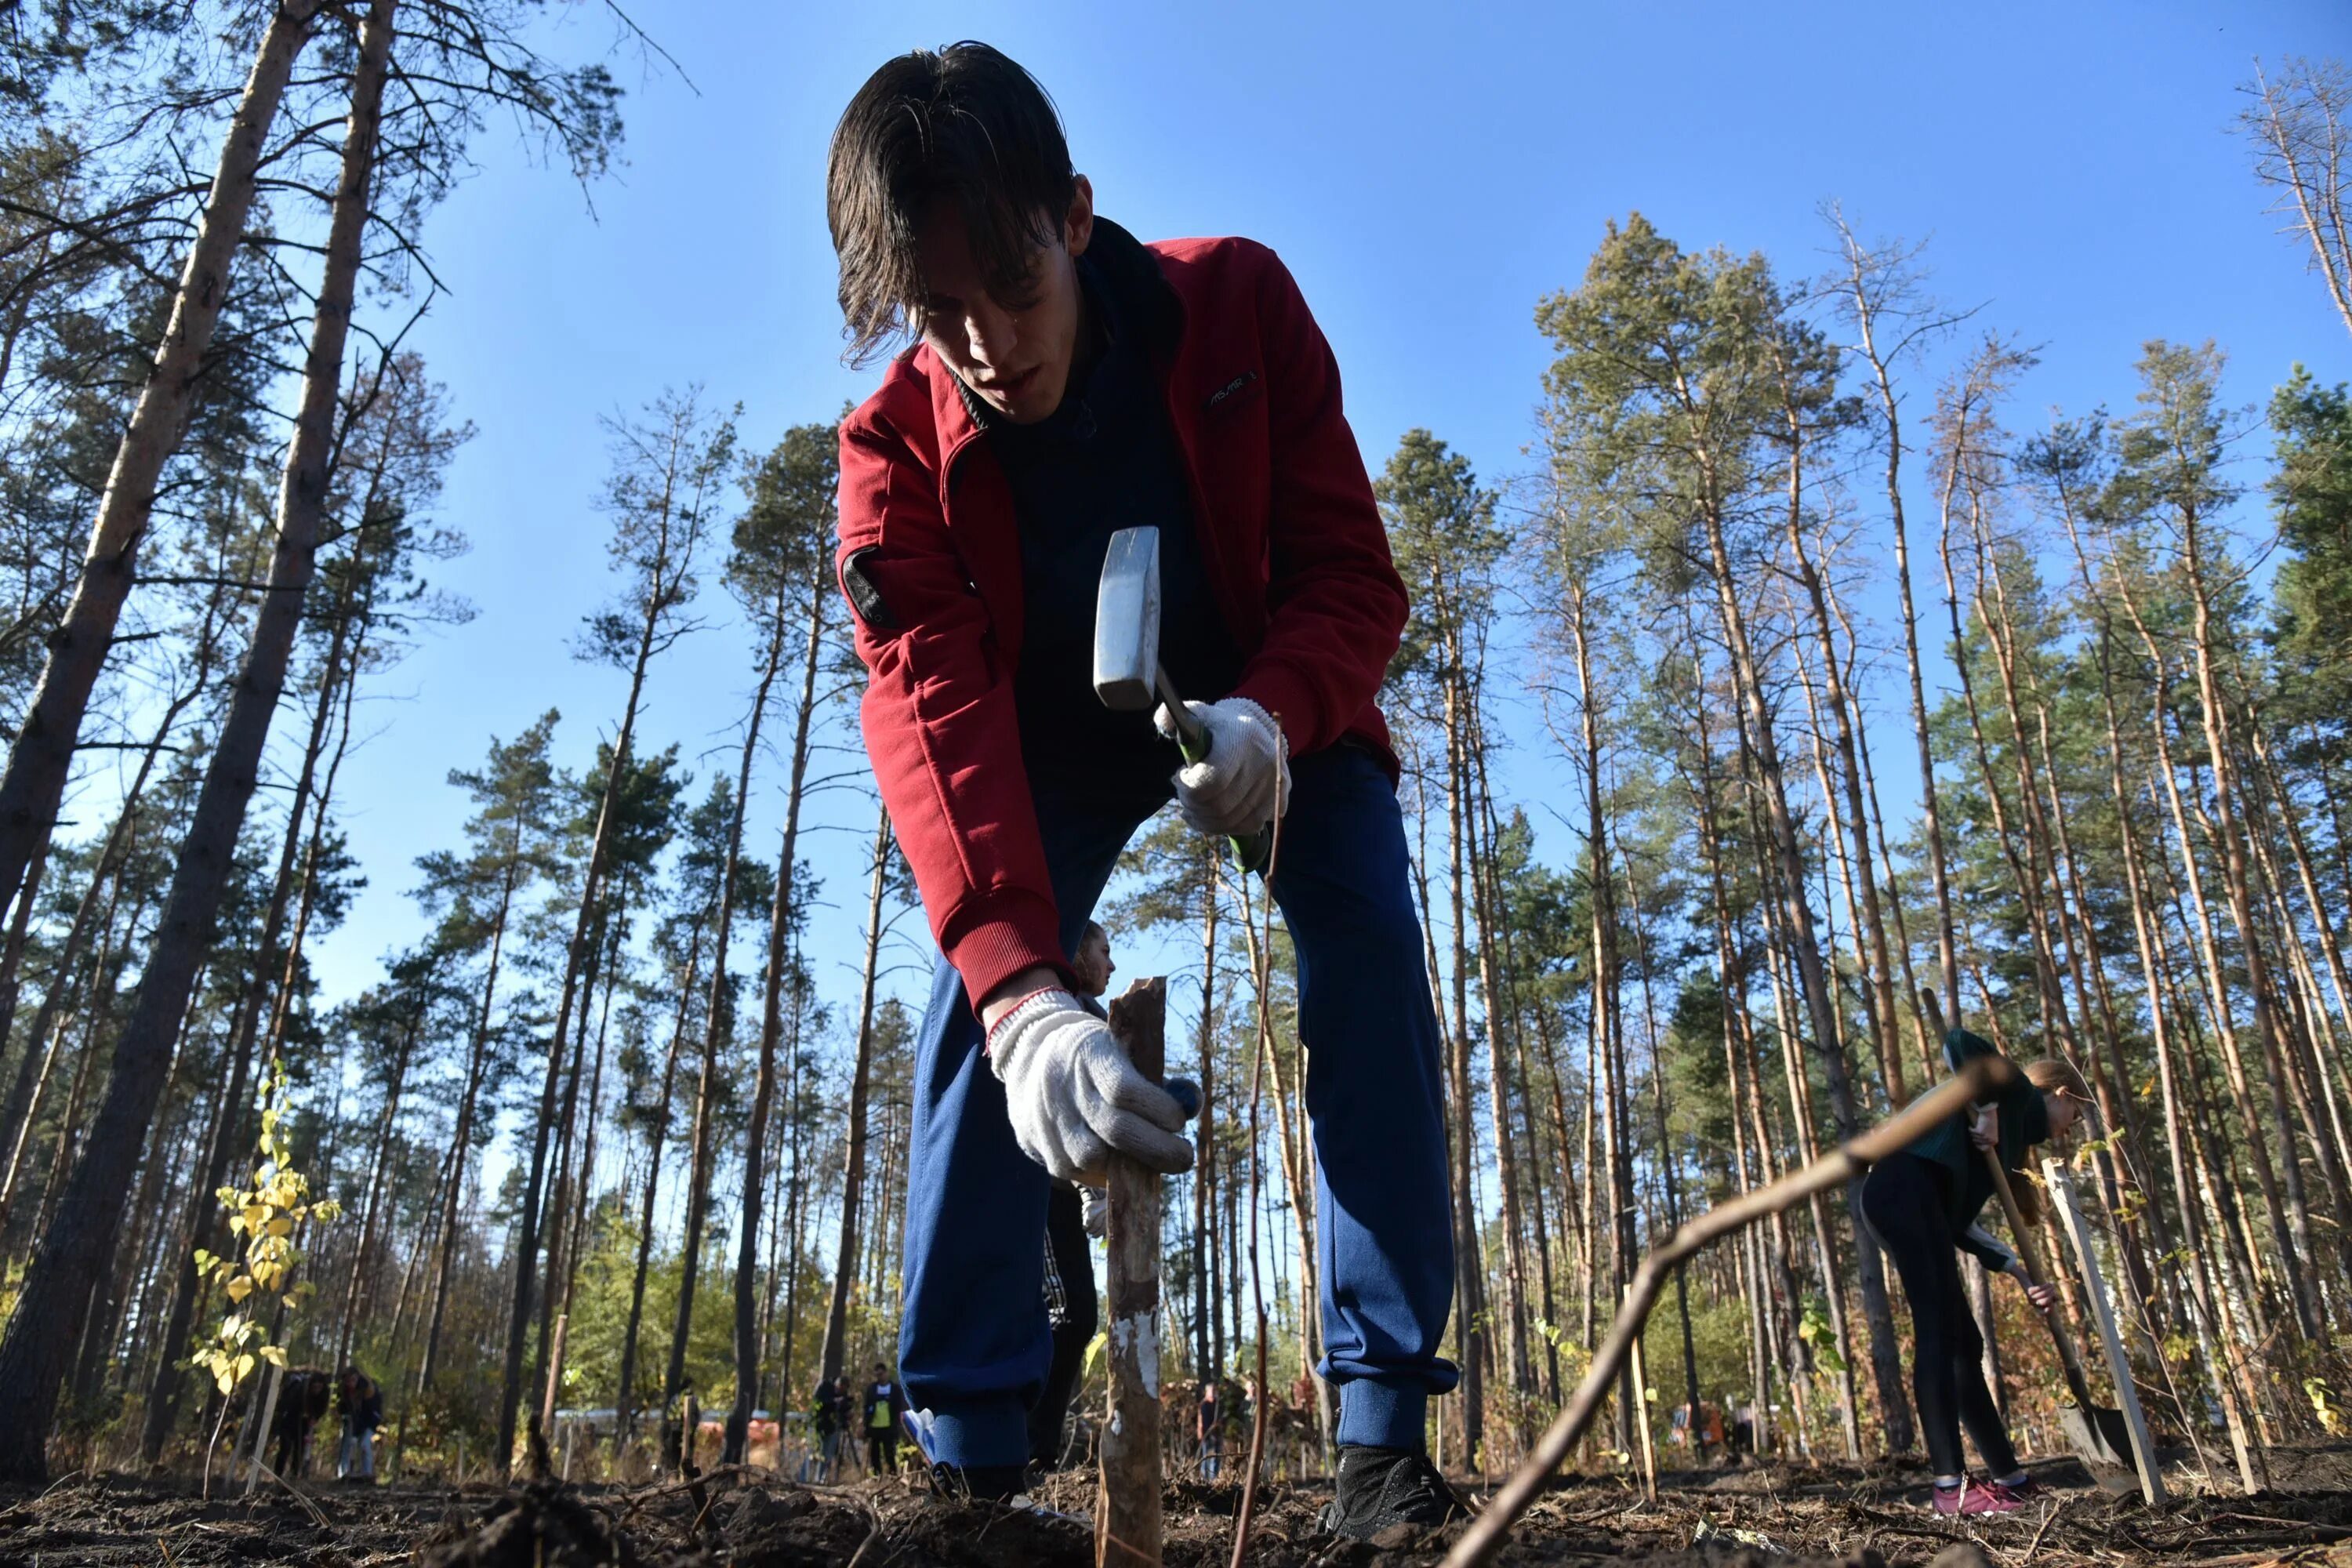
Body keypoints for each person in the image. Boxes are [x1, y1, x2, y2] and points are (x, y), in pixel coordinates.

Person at [824, 42, 1462, 1538]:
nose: (985, 344)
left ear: (1076, 214)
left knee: (1366, 942)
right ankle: (971, 1458)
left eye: (1014, 287)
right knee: (974, 1002)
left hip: (1269, 692)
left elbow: (1352, 574)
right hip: (1040, 732)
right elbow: (929, 704)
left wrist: (1276, 715)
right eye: (937, 315)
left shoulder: (1234, 303)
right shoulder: (889, 453)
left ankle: (1379, 1443)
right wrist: (1020, 988)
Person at [1860, 1032, 2088, 1515]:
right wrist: (1985, 1107)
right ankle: (1950, 1488)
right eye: (2077, 1115)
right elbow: (1959, 1042)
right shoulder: (2016, 1095)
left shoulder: (2010, 1149)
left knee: (1967, 1343)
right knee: (1939, 1333)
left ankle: (2011, 1479)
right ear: (2061, 1095)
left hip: (1923, 1210)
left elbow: (1960, 1226)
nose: (2073, 1127)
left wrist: (2019, 1274)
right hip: (1900, 1185)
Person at [1030, 920, 1112, 1469]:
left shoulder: (1100, 1019)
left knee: (1074, 1315)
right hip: (1040, 1191)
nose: (1112, 964)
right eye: (1105, 951)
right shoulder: (1060, 1014)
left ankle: (1033, 1450)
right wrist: (1093, 1185)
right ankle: (1027, 1449)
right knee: (1071, 1315)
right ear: (1078, 952)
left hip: (1066, 1192)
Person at [335, 1366, 383, 1483]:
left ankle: (367, 1474)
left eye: (353, 1380)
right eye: (348, 1381)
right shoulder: (344, 1391)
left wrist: (356, 1434)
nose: (350, 1383)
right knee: (346, 1445)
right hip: (351, 1421)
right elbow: (342, 1407)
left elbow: (369, 1414)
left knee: (364, 1445)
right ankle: (343, 1473)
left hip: (370, 1421)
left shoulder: (368, 1390)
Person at [865, 1362, 907, 1474]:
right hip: (874, 1426)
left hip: (889, 1427)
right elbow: (867, 1406)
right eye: (877, 1375)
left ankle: (893, 1474)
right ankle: (876, 1475)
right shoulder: (872, 1389)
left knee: (889, 1453)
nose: (880, 1377)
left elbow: (900, 1407)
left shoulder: (895, 1389)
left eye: (881, 1374)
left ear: (886, 1373)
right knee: (875, 1454)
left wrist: (898, 1425)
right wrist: (865, 1424)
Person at [810, 1377, 846, 1481]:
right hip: (821, 1427)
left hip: (832, 1428)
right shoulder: (826, 1389)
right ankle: (815, 1478)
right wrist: (834, 1401)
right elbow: (821, 1404)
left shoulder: (840, 1396)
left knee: (828, 1455)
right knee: (820, 1454)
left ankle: (824, 1478)